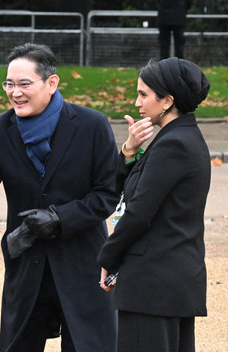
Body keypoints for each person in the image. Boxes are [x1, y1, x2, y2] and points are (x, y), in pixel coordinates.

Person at [0, 43, 119, 351]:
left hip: (83, 265)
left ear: (51, 83)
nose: (14, 92)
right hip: (27, 265)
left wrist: (60, 218)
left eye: (24, 84)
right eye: (9, 84)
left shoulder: (92, 125)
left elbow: (106, 195)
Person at [98, 57, 210, 352]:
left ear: (167, 101)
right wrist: (130, 149)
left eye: (143, 94)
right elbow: (126, 190)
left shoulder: (173, 145)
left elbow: (138, 213)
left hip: (154, 284)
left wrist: (108, 258)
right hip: (171, 281)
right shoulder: (181, 138)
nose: (137, 103)